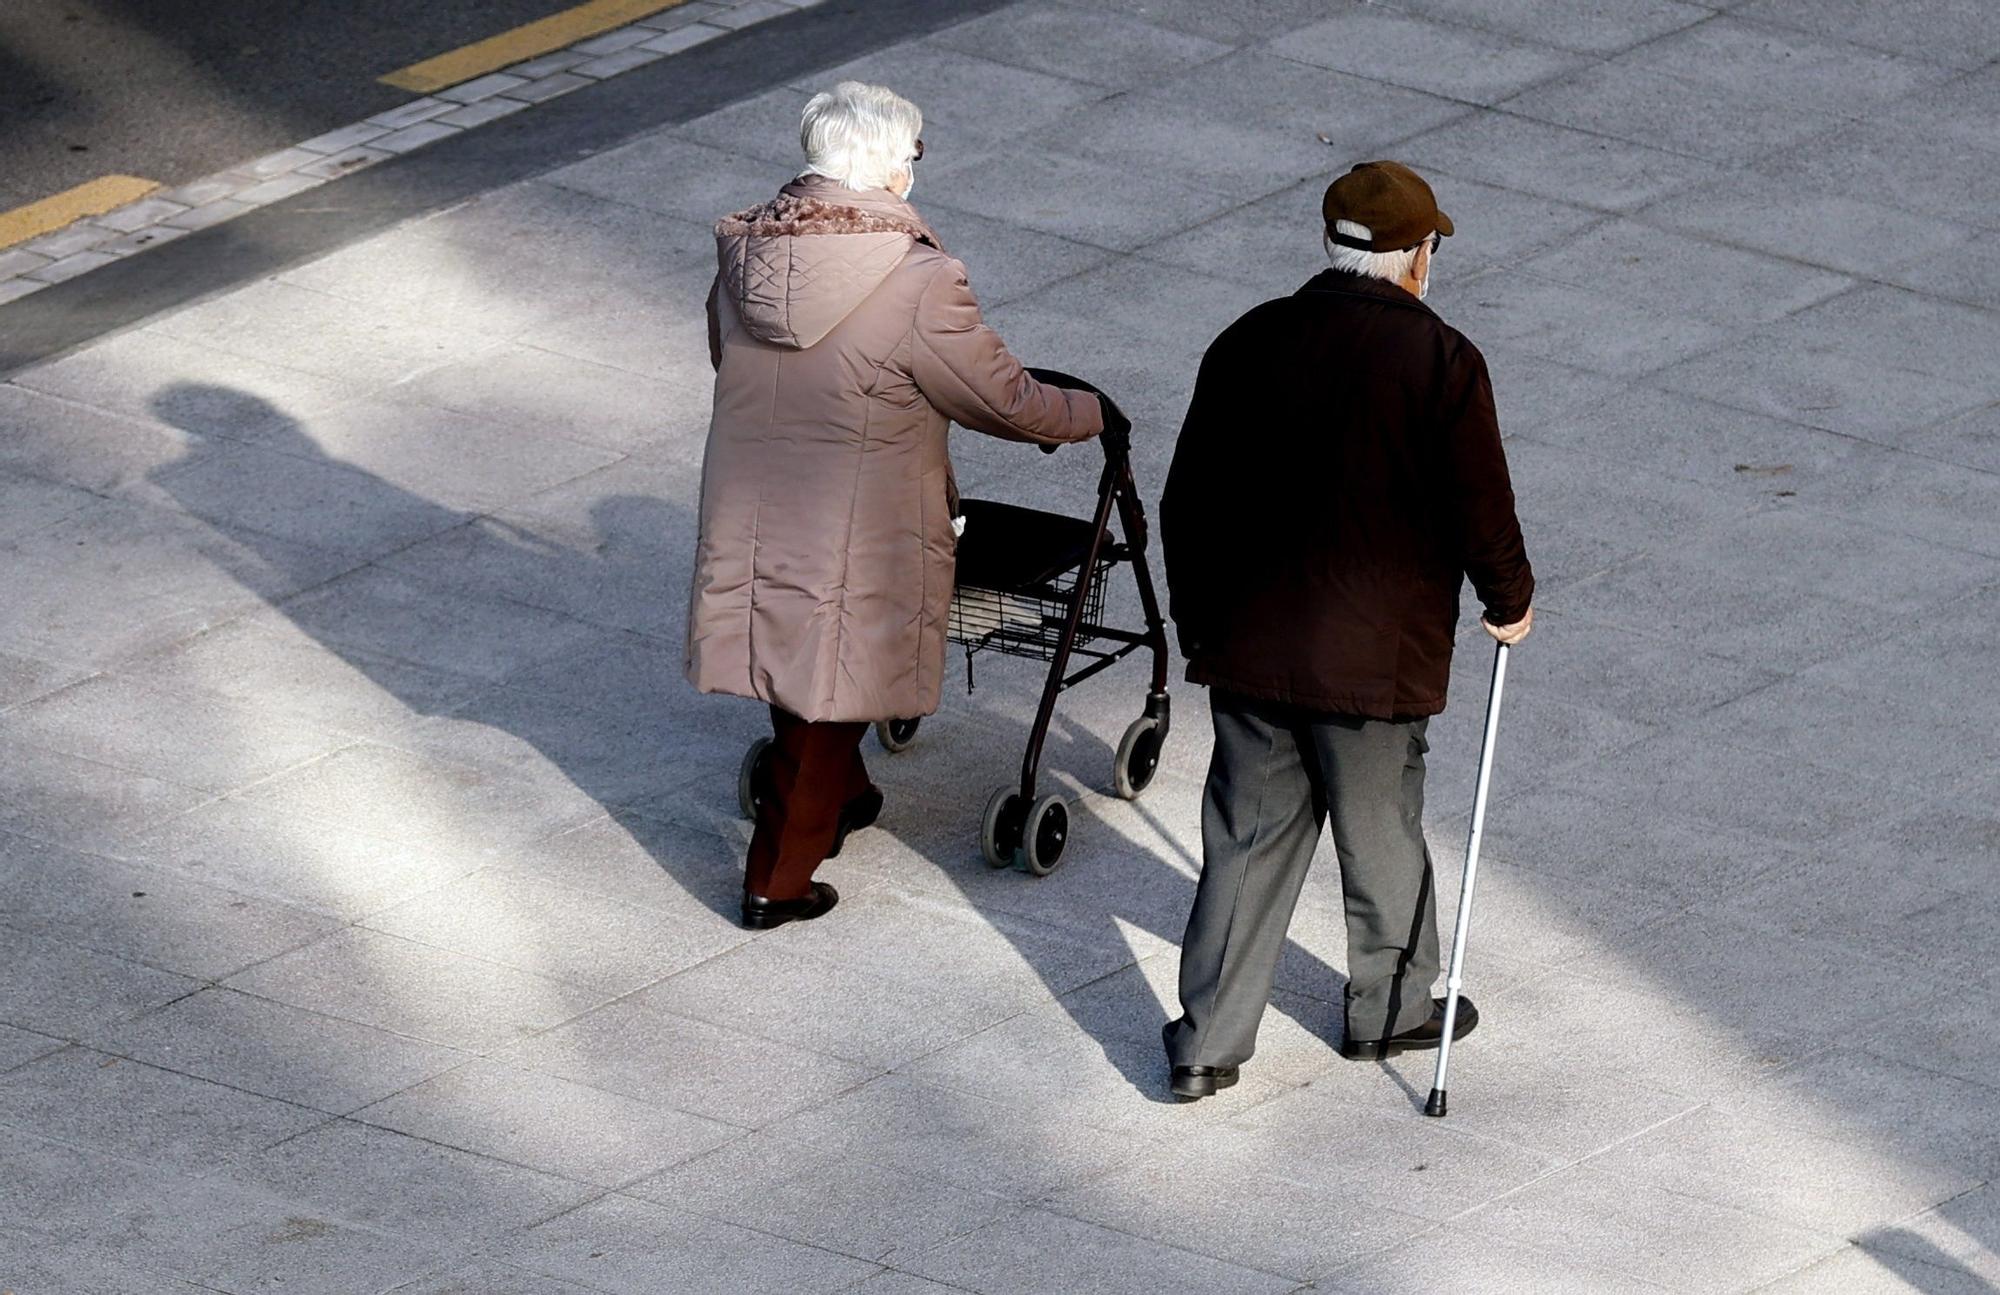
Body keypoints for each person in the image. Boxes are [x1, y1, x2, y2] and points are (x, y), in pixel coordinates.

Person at [687, 82, 1108, 930]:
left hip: (756, 498)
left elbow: (722, 356)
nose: (916, 167)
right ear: (884, 164)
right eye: (913, 152)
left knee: (800, 660)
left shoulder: (746, 255)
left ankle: (845, 796)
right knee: (831, 690)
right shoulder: (917, 277)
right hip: (860, 519)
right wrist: (1092, 413)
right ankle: (777, 878)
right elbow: (1003, 399)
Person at [1158, 160, 1534, 1100]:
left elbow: (1186, 500)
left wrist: (1202, 621)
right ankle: (1394, 1010)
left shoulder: (1247, 341)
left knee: (1244, 840)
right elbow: (1479, 503)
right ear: (1417, 259)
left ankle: (1206, 1041)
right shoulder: (1441, 361)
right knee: (1381, 835)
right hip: (1372, 664)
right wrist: (1509, 596)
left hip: (1251, 646)